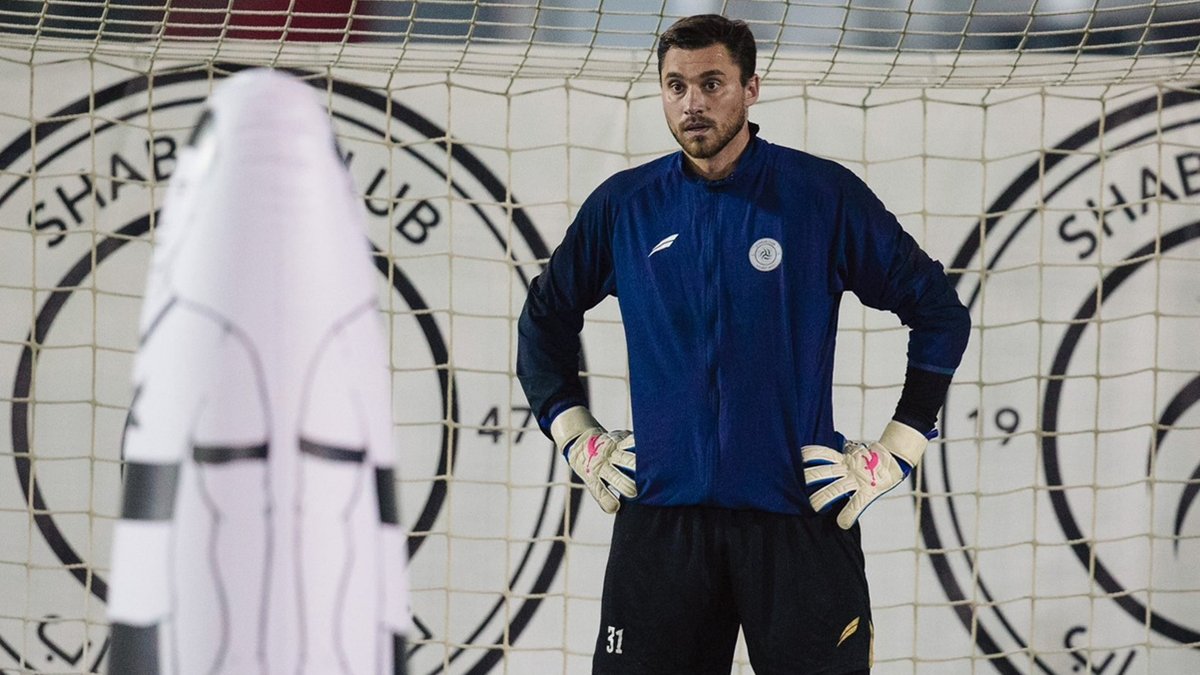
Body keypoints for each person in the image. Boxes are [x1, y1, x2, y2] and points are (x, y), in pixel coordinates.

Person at [517, 14, 970, 675]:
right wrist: (573, 431)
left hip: (797, 517)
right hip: (662, 523)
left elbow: (939, 312)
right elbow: (543, 320)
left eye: (711, 83)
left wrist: (902, 445)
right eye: (675, 85)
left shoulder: (820, 196)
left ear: (751, 88)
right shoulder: (626, 206)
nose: (691, 103)